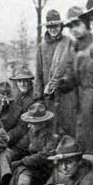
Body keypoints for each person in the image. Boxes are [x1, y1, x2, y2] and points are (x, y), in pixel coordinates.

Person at [64, 5, 93, 157]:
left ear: (87, 24)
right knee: (84, 142)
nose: (73, 29)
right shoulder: (73, 47)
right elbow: (73, 76)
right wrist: (64, 83)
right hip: (80, 103)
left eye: (77, 25)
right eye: (70, 26)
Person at [35, 9, 78, 137]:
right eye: (50, 26)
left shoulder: (69, 43)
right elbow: (38, 74)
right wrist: (38, 99)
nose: (53, 29)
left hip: (67, 95)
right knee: (51, 130)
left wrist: (63, 81)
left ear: (61, 26)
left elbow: (75, 69)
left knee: (68, 129)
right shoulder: (41, 47)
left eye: (56, 26)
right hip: (49, 97)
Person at [7, 101, 57, 185]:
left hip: (47, 168)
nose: (29, 125)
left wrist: (21, 162)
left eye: (32, 123)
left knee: (23, 169)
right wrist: (9, 157)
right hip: (33, 165)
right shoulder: (32, 131)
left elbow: (45, 155)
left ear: (42, 123)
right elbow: (20, 147)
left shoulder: (53, 135)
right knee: (16, 168)